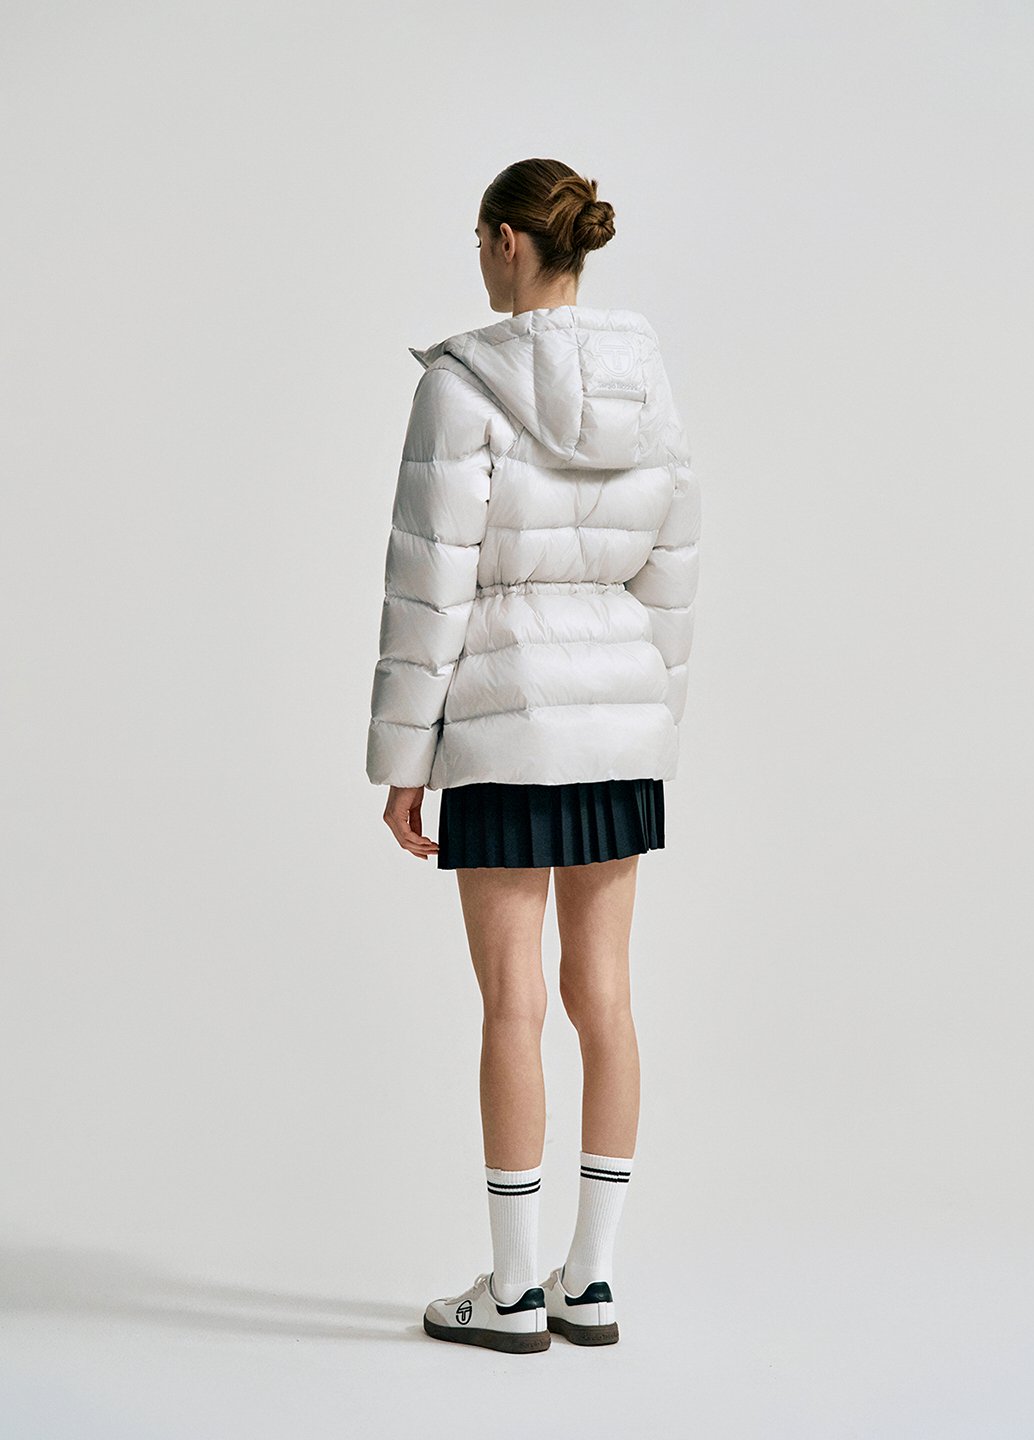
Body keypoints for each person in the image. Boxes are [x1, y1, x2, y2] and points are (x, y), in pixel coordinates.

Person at [366, 157, 701, 1353]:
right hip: (618, 726)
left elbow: (428, 587)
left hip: (505, 721)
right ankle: (589, 1281)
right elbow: (672, 572)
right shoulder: (648, 381)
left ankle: (511, 1291)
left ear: (509, 241)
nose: (477, 255)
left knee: (513, 1002)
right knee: (604, 995)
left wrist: (404, 758)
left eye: (479, 237)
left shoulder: (462, 388)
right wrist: (649, 719)